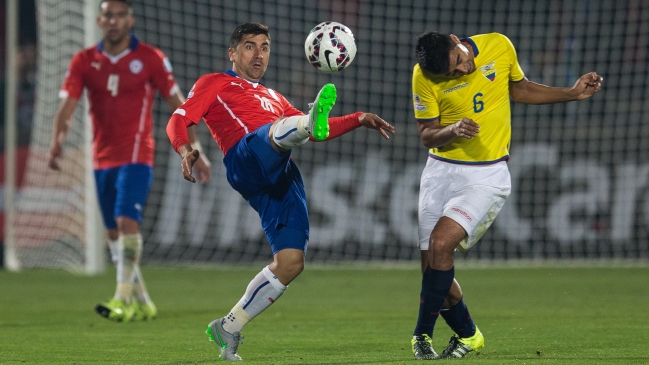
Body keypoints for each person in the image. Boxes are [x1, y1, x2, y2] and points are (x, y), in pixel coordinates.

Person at [166, 22, 394, 361]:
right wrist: (186, 151)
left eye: (264, 47)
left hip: (281, 175)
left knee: (291, 262)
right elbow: (177, 120)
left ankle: (228, 326)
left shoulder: (275, 98)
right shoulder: (215, 83)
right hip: (245, 157)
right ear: (232, 53)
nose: (258, 54)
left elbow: (316, 132)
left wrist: (358, 118)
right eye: (249, 46)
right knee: (275, 133)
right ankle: (306, 116)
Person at [410, 31, 602, 360]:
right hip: (439, 172)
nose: (460, 70)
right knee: (434, 276)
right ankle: (469, 336)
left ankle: (421, 337)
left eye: (459, 60)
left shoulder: (498, 45)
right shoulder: (424, 75)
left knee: (442, 245)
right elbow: (428, 134)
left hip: (486, 174)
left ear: (457, 41)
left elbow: (520, 89)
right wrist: (451, 130)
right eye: (452, 73)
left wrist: (571, 94)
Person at [48, 0, 211, 322]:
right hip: (101, 159)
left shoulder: (151, 58)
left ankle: (121, 300)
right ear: (99, 19)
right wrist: (57, 141)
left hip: (137, 155)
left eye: (120, 15)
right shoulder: (83, 60)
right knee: (112, 234)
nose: (114, 21)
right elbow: (68, 106)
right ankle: (143, 301)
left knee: (126, 224)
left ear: (130, 20)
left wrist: (198, 150)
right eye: (108, 15)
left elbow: (179, 105)